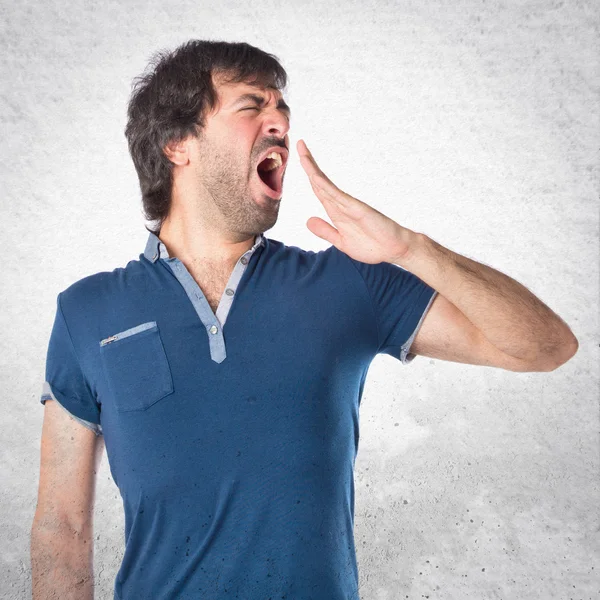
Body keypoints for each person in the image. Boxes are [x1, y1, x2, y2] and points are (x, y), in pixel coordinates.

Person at [30, 40, 578, 600]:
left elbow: (544, 347)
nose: (279, 125)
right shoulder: (86, 312)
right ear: (178, 144)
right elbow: (61, 528)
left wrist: (413, 250)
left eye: (282, 111)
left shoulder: (351, 281)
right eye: (252, 107)